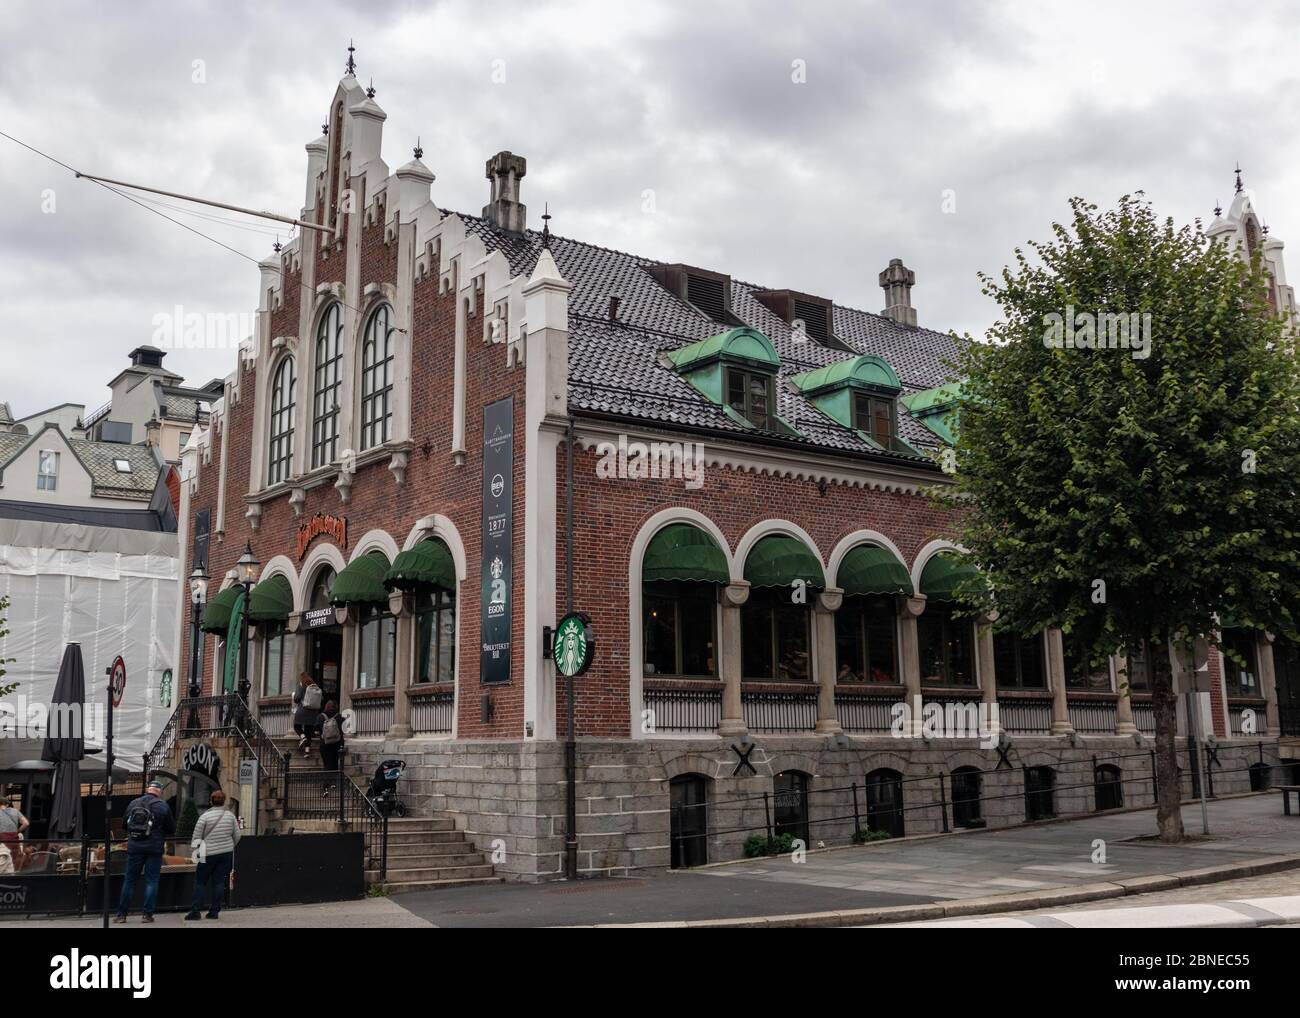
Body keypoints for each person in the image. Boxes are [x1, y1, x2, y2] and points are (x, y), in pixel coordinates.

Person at [114, 780, 176, 923]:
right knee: (152, 881)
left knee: (129, 881)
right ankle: (147, 915)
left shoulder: (133, 804)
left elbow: (124, 825)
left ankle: (121, 915)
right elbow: (171, 828)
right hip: (154, 848)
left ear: (148, 789)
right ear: (159, 792)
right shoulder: (163, 806)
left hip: (135, 846)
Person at [185, 789, 240, 920]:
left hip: (207, 853)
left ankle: (195, 911)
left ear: (211, 801)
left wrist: (196, 853)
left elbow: (196, 837)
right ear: (224, 801)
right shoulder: (230, 816)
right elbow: (237, 835)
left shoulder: (204, 817)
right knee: (219, 882)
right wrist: (229, 846)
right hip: (225, 853)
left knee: (200, 882)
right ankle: (214, 911)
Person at [292, 672, 323, 756]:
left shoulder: (302, 686)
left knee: (296, 726)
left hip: (303, 710)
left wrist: (295, 695)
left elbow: (297, 699)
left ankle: (303, 737)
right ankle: (307, 752)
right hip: (313, 712)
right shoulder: (315, 686)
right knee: (308, 730)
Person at [0, 799, 28, 875]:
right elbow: (26, 823)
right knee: (13, 865)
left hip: (2, 842)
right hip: (14, 840)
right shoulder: (15, 811)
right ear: (7, 804)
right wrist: (17, 831)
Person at [316, 700, 345, 771]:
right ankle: (335, 780)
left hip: (325, 744)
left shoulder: (320, 717)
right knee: (335, 764)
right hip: (338, 744)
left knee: (327, 764)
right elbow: (344, 730)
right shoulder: (340, 717)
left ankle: (327, 780)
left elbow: (316, 730)